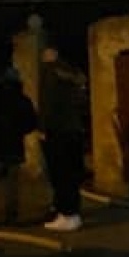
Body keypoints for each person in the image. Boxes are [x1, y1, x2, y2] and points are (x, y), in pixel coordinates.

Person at [39, 45, 89, 232]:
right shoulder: (73, 73)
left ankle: (67, 215)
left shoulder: (50, 73)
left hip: (58, 130)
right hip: (74, 129)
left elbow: (48, 103)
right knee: (70, 175)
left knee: (60, 175)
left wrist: (43, 128)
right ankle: (69, 213)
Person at [0, 64, 37, 228]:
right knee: (12, 183)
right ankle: (11, 216)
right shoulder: (23, 100)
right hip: (14, 145)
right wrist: (18, 130)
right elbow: (31, 123)